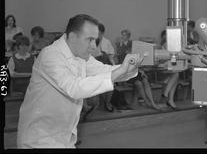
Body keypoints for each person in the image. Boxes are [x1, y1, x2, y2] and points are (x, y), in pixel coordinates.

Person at [17, 14, 142, 148]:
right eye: (90, 40)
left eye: (95, 40)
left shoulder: (81, 56)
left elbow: (104, 70)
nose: (94, 46)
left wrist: (129, 68)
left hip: (64, 137)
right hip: (39, 139)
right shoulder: (50, 55)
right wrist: (119, 71)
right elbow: (74, 88)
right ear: (72, 37)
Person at [115, 29, 161, 110]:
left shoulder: (133, 44)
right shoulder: (119, 46)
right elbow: (121, 62)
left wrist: (141, 70)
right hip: (127, 72)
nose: (123, 37)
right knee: (138, 83)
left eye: (124, 35)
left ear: (128, 36)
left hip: (135, 69)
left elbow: (137, 59)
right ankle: (147, 102)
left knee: (145, 80)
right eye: (122, 35)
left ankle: (152, 102)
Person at [88, 23, 115, 113]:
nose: (98, 34)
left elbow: (111, 55)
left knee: (111, 82)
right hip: (93, 65)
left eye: (99, 32)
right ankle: (96, 104)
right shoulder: (90, 40)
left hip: (105, 63)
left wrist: (113, 65)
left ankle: (107, 103)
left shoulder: (107, 41)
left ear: (103, 33)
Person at [158, 30, 180, 110]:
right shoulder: (166, 44)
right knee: (176, 75)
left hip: (167, 67)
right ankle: (166, 96)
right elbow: (166, 58)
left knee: (176, 76)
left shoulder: (171, 45)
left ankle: (169, 99)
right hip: (161, 69)